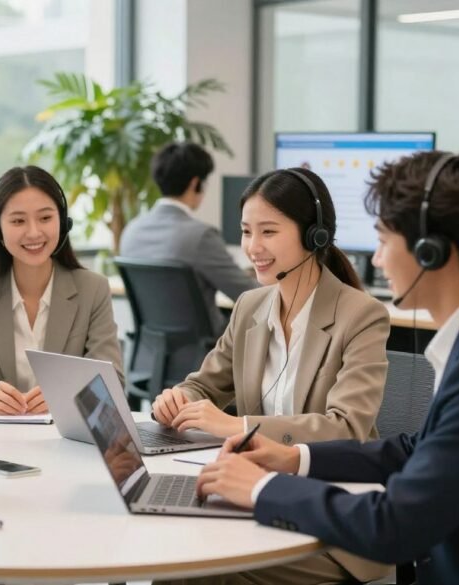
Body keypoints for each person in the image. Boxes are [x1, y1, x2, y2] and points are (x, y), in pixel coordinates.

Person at [197, 150, 459, 585]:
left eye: (384, 241)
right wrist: (294, 457)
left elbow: (396, 525)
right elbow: (415, 449)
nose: (379, 261)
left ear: (431, 250)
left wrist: (259, 489)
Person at [153, 167, 391, 584]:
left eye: (268, 232)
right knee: (176, 560)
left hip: (332, 515)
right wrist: (177, 398)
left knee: (206, 572)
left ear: (314, 234)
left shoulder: (360, 315)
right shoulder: (250, 306)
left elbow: (348, 426)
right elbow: (203, 384)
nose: (253, 247)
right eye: (246, 232)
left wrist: (238, 425)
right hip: (255, 496)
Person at [0, 165, 124, 415]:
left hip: (66, 440)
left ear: (63, 222)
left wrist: (66, 396)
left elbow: (113, 383)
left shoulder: (92, 289)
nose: (34, 232)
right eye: (18, 221)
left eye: (46, 218)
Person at [120, 142, 259, 336]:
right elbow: (248, 294)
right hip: (207, 351)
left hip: (151, 351)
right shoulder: (201, 236)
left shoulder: (131, 231)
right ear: (195, 183)